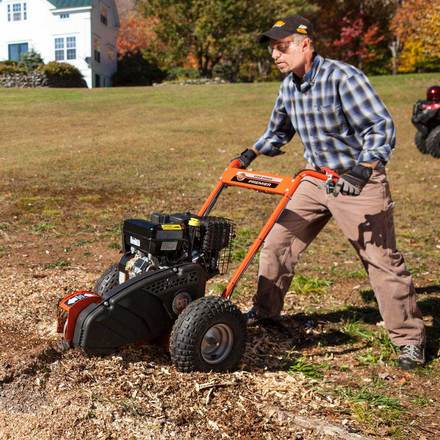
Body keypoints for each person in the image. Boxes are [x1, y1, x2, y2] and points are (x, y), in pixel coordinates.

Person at [234, 15, 426, 370]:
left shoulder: (342, 77)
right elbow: (278, 130)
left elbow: (379, 126)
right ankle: (265, 313)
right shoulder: (289, 87)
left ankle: (409, 338)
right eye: (273, 50)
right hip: (313, 179)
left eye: (282, 47)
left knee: (380, 258)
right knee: (277, 242)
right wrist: (252, 152)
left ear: (305, 44)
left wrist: (364, 167)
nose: (276, 55)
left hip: (358, 179)